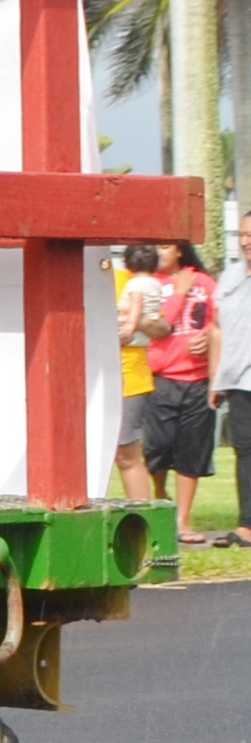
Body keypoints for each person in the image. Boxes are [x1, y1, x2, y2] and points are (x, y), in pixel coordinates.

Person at [131, 237, 217, 536]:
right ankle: (159, 494)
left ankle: (182, 520)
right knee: (157, 446)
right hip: (160, 376)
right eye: (155, 246)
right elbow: (154, 324)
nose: (159, 252)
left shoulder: (203, 282)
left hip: (198, 378)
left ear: (180, 249)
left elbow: (220, 319)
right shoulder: (146, 284)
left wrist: (210, 335)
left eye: (165, 246)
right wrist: (178, 294)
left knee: (191, 450)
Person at [207, 210, 251, 547]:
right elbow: (217, 328)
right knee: (245, 451)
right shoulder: (231, 276)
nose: (246, 241)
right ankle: (247, 525)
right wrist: (216, 379)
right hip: (238, 380)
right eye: (242, 235)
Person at [115, 246, 159, 503]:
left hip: (130, 378)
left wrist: (133, 324)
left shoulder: (131, 281)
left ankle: (141, 517)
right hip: (87, 377)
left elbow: (162, 326)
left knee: (126, 454)